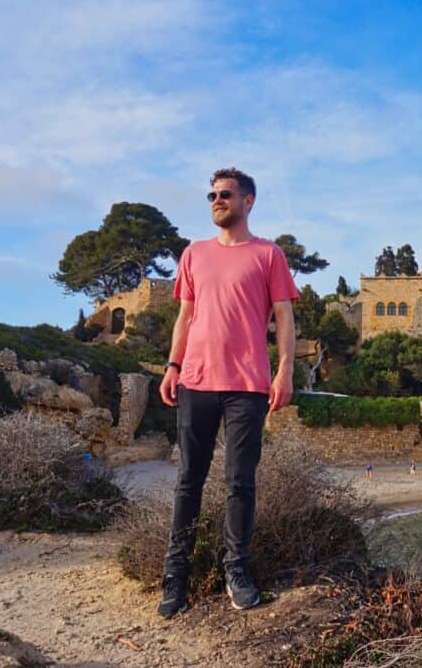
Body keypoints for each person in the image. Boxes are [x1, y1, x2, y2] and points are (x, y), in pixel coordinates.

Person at [156, 167, 299, 619]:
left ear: (248, 201)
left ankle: (236, 572)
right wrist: (172, 365)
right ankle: (174, 577)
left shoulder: (269, 254)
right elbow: (185, 316)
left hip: (248, 386)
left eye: (225, 194)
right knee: (188, 483)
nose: (216, 200)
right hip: (195, 380)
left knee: (240, 483)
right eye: (211, 195)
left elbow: (284, 319)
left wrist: (285, 372)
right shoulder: (194, 254)